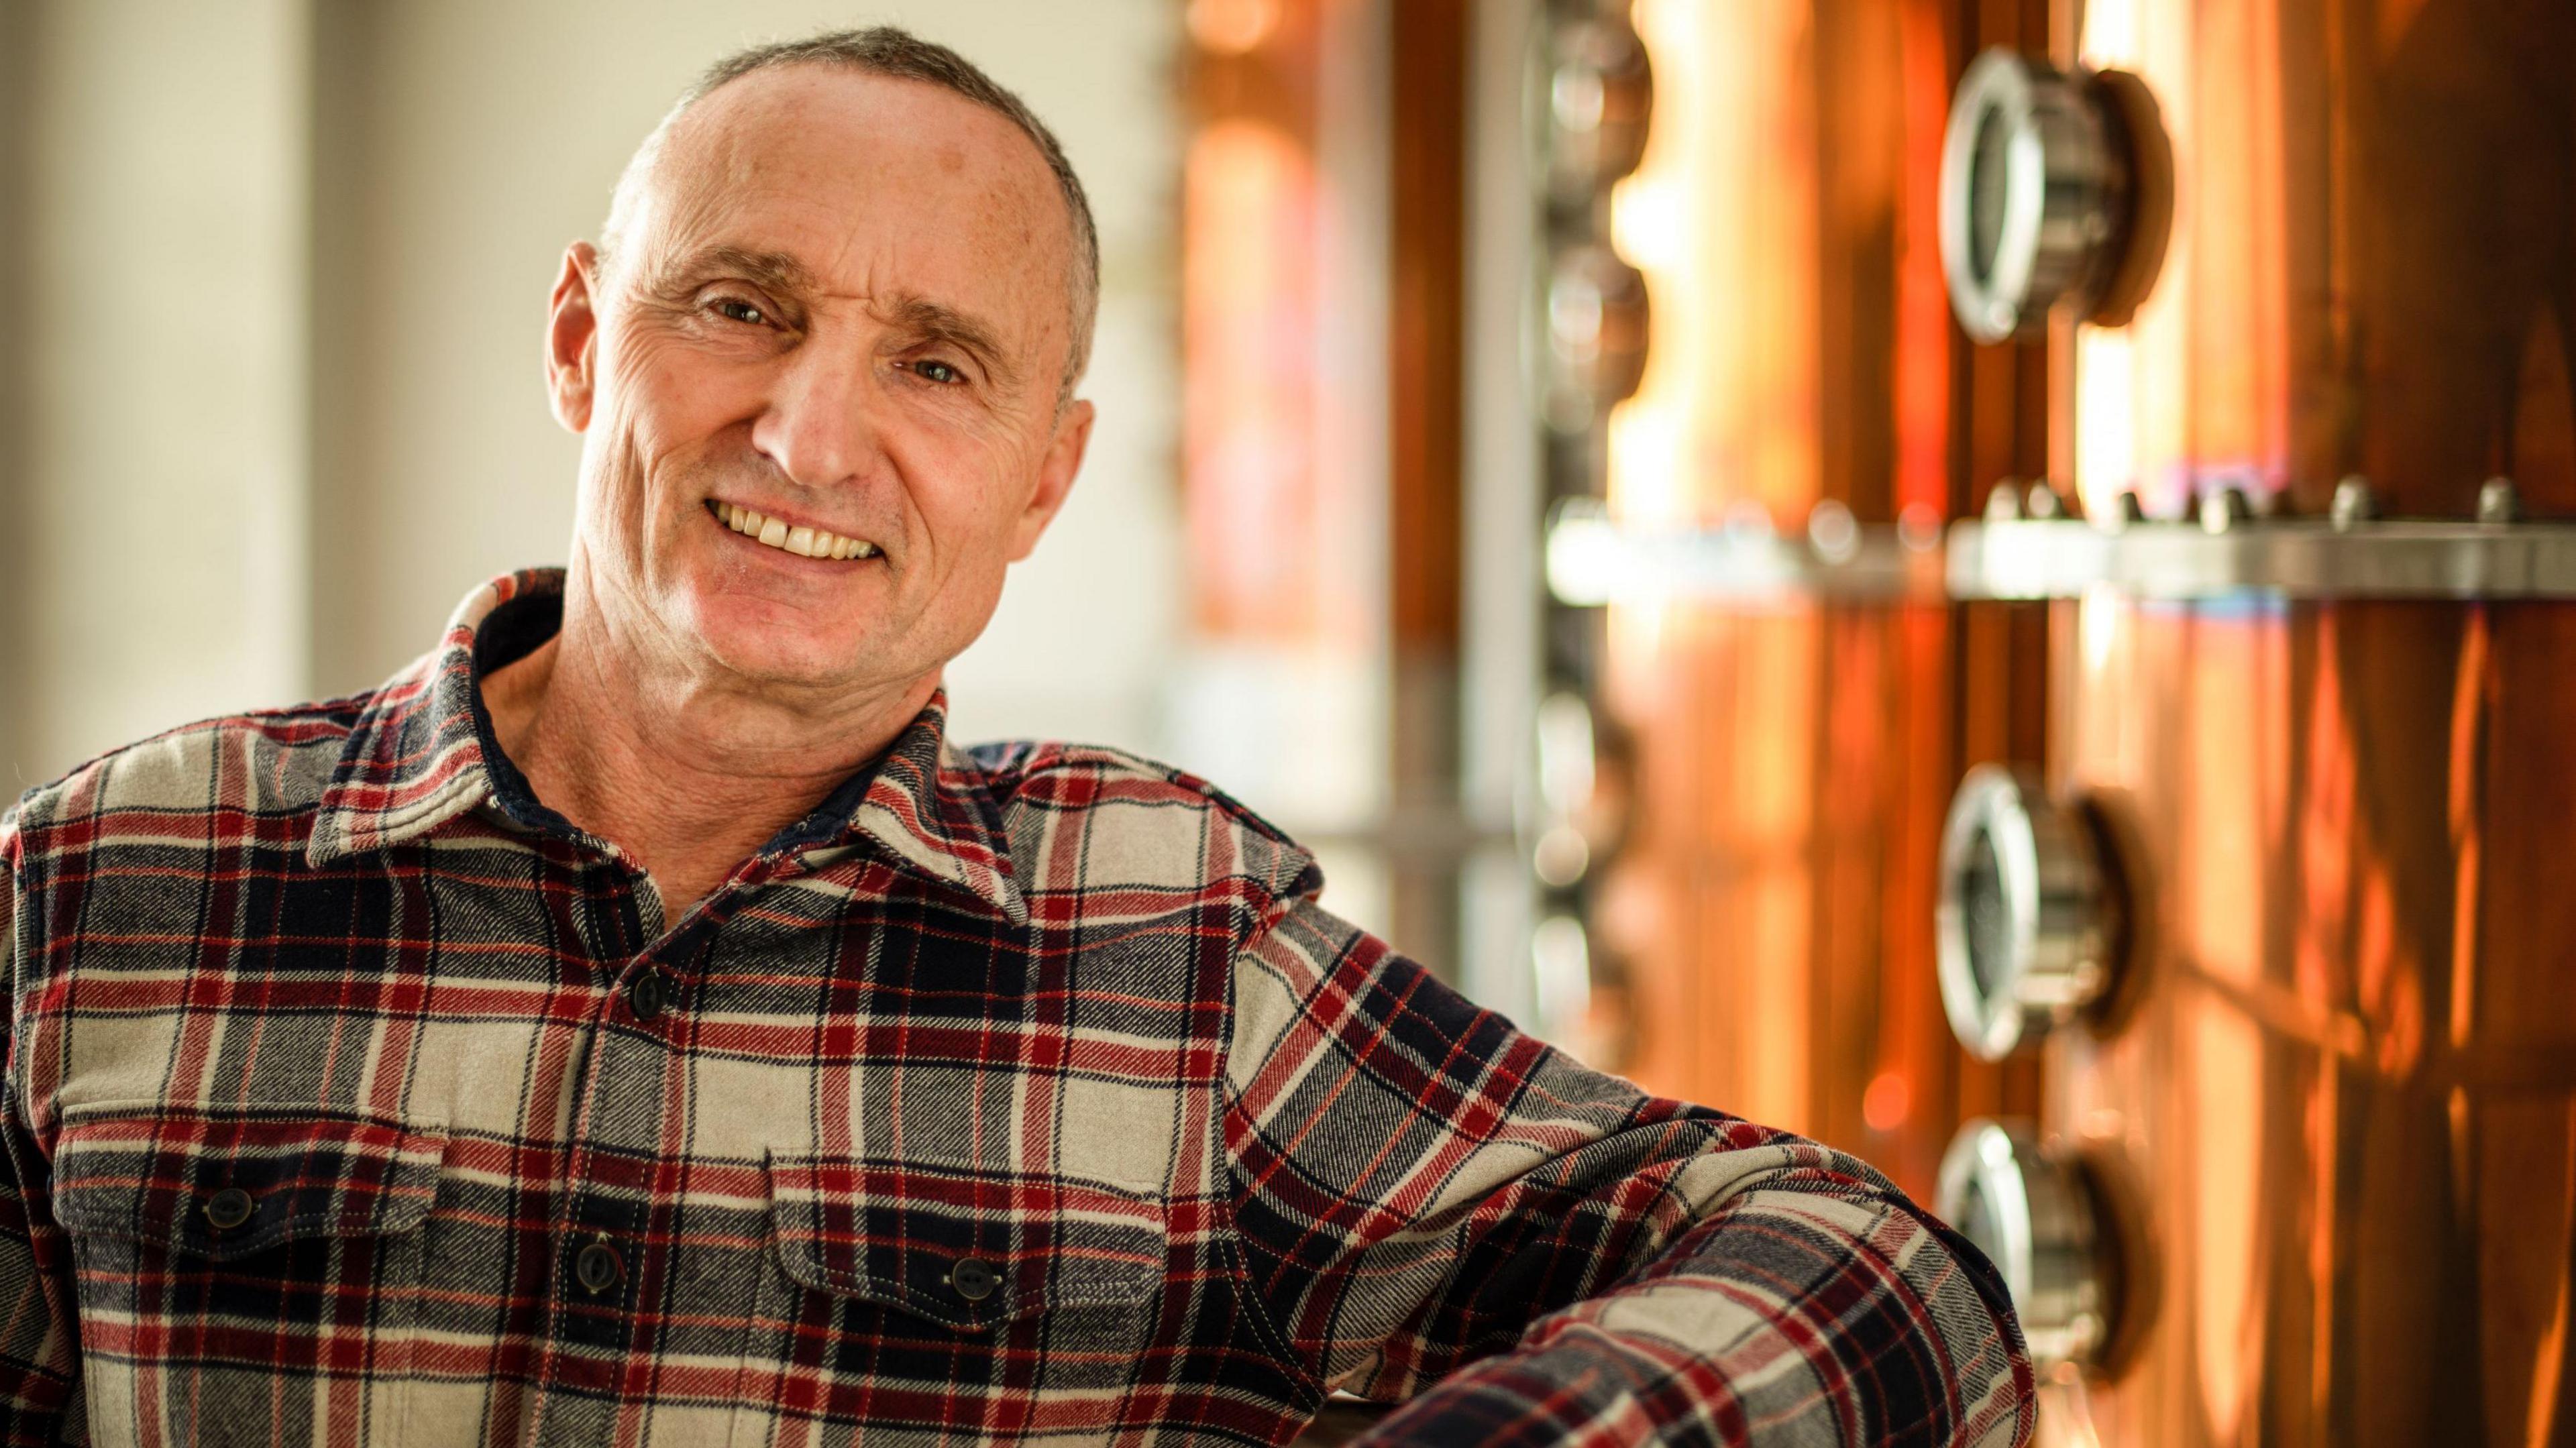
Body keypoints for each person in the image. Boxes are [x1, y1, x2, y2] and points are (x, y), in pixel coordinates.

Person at [0, 27, 2032, 1447]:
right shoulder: (114, 883)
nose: (809, 435)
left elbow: (1887, 1285)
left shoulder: (1171, 954)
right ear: (577, 341)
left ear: (1040, 487)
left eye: (936, 363)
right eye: (740, 306)